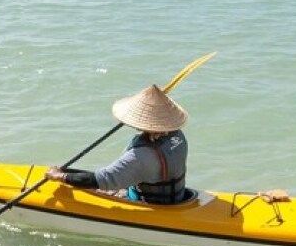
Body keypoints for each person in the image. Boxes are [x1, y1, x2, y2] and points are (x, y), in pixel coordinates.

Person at [46, 85, 192, 205]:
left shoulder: (141, 156)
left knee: (97, 184)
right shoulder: (177, 135)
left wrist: (60, 176)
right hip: (176, 198)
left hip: (149, 204)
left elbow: (101, 180)